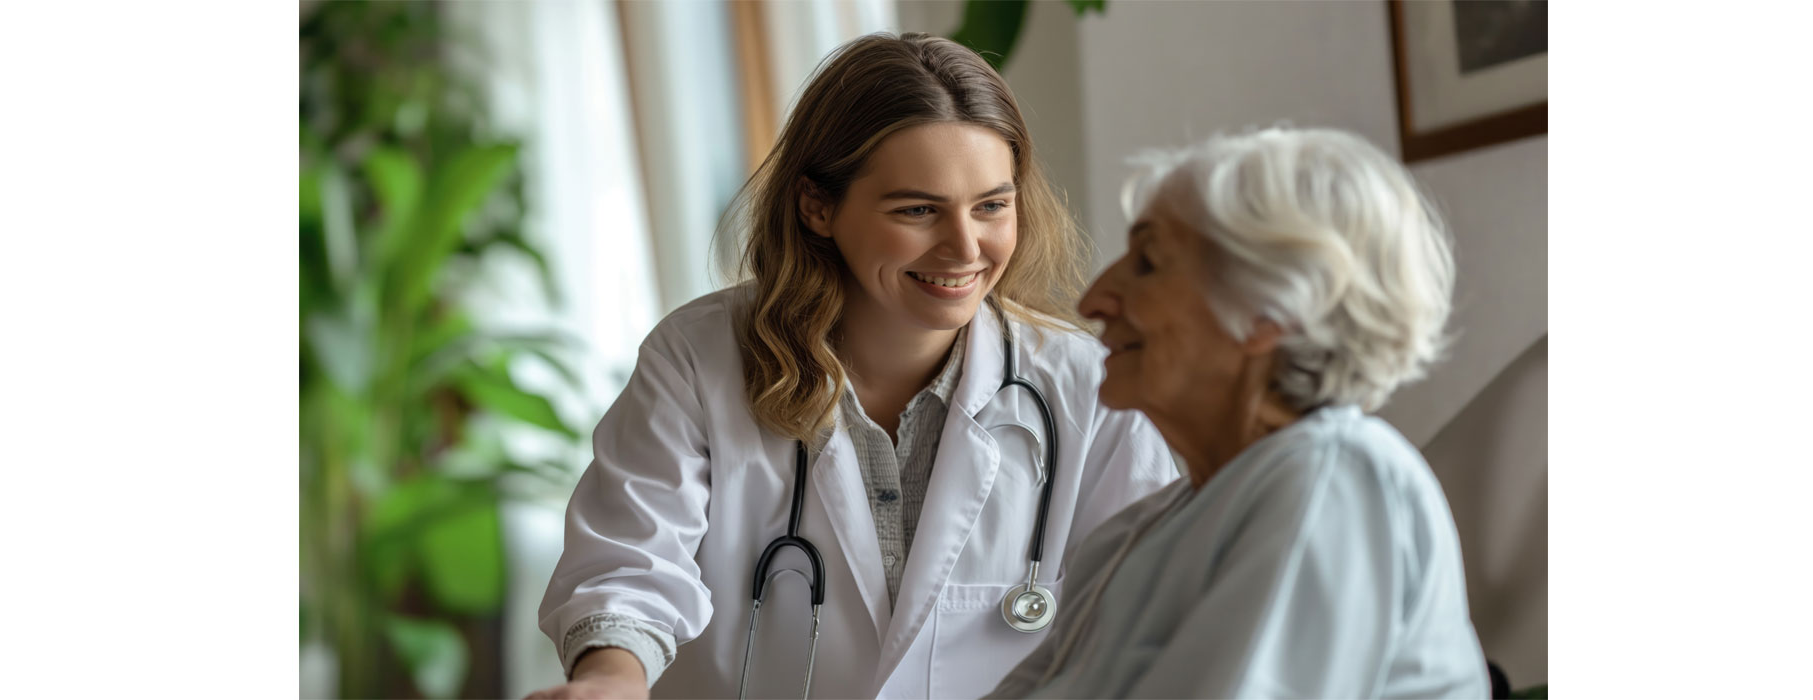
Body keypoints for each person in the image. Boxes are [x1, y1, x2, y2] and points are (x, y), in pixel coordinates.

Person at [526, 33, 1176, 700]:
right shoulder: (698, 359)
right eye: (918, 210)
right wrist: (611, 677)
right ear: (818, 206)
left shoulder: (1088, 385)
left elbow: (1153, 607)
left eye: (991, 205)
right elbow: (633, 560)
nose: (964, 247)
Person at [984, 127, 1488, 698]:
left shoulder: (1332, 477)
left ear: (1270, 313)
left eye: (1147, 263)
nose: (1094, 298)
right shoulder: (1143, 529)